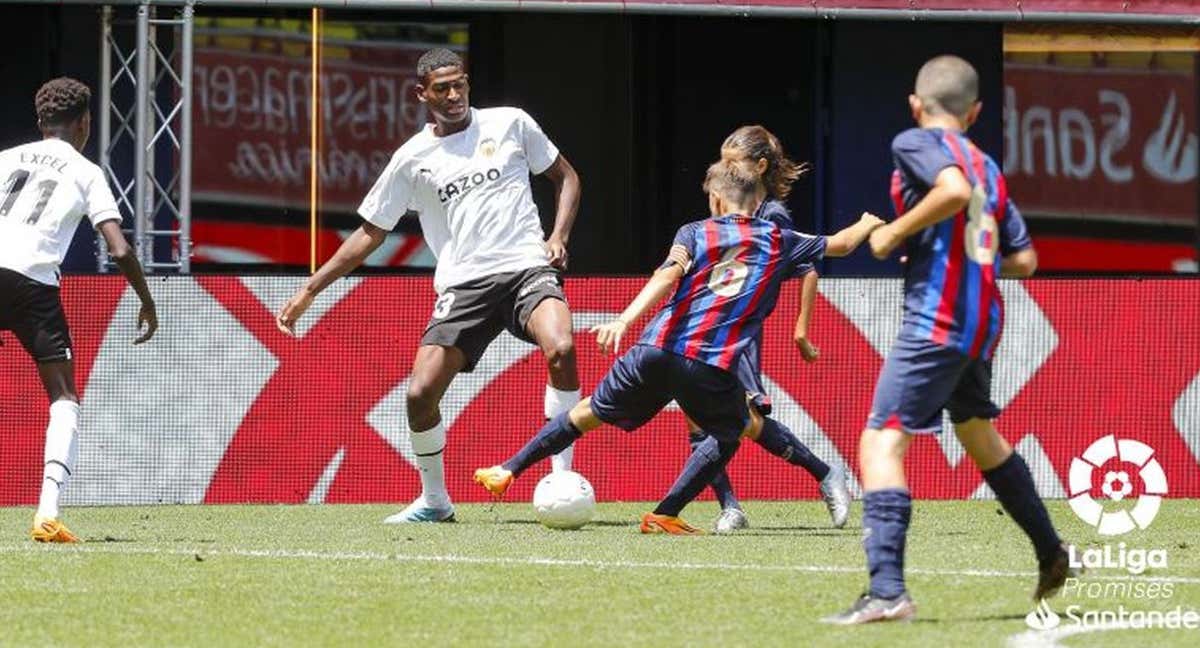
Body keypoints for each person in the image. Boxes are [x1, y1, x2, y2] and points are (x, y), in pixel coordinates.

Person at [473, 155, 883, 534]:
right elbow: (842, 244)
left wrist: (625, 320)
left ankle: (507, 470)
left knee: (585, 413)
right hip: (708, 362)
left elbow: (667, 275)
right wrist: (867, 223)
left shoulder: (695, 231)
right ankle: (668, 512)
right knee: (731, 431)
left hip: (655, 349)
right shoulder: (779, 238)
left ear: (718, 199)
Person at [276, 48, 583, 523]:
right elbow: (369, 233)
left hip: (526, 267)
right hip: (464, 285)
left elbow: (566, 177)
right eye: (442, 88)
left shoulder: (511, 123)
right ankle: (435, 501)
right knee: (419, 395)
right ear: (422, 94)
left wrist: (558, 235)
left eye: (460, 84)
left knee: (561, 347)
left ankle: (560, 475)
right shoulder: (412, 159)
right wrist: (312, 289)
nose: (455, 94)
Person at [822, 55, 1066, 625]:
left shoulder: (915, 141)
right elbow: (1025, 260)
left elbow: (952, 191)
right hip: (983, 320)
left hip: (937, 317)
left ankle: (887, 592)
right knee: (978, 434)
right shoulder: (990, 166)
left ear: (916, 104)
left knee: (880, 443)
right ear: (977, 111)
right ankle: (1051, 549)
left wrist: (892, 236)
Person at [0, 77, 158, 543]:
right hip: (32, 282)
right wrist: (147, 302)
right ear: (86, 122)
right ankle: (47, 512)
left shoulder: (5, 159)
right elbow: (120, 249)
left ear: (41, 120)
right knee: (63, 396)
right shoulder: (87, 172)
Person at [691, 126, 850, 534]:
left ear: (759, 167)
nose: (725, 169)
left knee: (734, 421)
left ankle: (821, 473)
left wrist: (801, 329)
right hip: (708, 323)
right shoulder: (727, 207)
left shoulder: (773, 216)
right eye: (722, 161)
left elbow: (807, 268)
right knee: (699, 415)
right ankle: (731, 506)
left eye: (734, 162)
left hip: (737, 334)